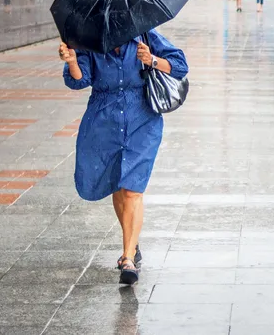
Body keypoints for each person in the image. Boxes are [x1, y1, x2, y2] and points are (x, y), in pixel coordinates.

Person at [58, 30, 188, 285]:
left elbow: (180, 66)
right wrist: (72, 61)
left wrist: (151, 59)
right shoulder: (89, 42)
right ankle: (132, 241)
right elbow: (79, 81)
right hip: (103, 120)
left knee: (132, 189)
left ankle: (128, 257)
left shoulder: (145, 37)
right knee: (119, 184)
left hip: (143, 118)